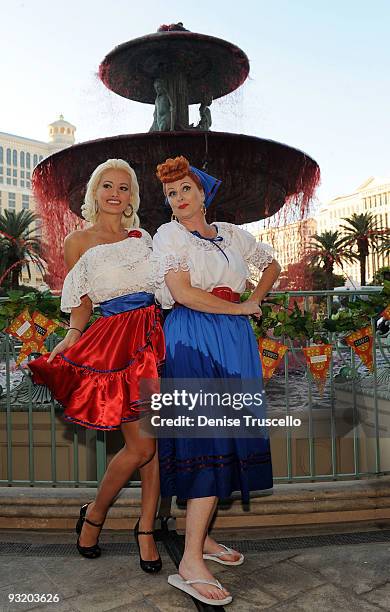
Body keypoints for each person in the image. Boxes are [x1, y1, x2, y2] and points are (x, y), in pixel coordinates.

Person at [153, 156, 281, 606]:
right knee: (204, 438)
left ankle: (201, 540)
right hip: (193, 336)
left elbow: (271, 266)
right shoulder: (168, 234)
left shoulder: (231, 233)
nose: (179, 198)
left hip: (233, 337)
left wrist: (254, 299)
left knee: (226, 438)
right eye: (171, 194)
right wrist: (241, 308)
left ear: (203, 193)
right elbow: (183, 292)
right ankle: (189, 562)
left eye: (186, 189)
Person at [28, 159, 164, 573]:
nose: (115, 193)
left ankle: (146, 531)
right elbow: (82, 299)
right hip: (116, 344)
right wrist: (71, 335)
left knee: (152, 445)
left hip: (155, 336)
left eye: (124, 187)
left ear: (131, 197)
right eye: (107, 185)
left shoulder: (144, 237)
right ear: (94, 192)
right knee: (141, 446)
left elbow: (165, 284)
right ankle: (95, 514)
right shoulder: (78, 242)